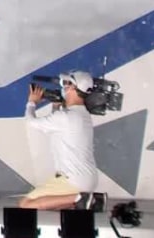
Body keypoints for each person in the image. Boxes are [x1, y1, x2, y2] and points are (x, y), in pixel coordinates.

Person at [19, 71, 103, 211]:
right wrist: (56, 106)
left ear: (73, 88)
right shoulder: (82, 115)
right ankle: (87, 200)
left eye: (66, 84)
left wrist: (32, 102)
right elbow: (57, 127)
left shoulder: (65, 117)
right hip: (87, 179)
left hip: (72, 180)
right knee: (53, 204)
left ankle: (81, 198)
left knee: (26, 203)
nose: (63, 87)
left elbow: (31, 122)